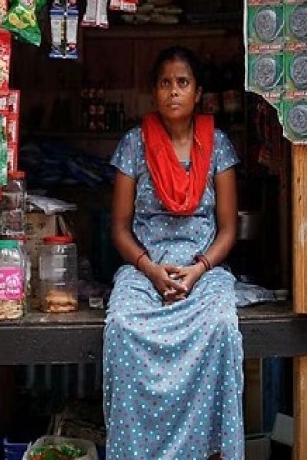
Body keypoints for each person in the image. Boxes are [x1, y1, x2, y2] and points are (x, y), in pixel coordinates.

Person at [103, 46, 244, 460]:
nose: (174, 92)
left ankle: (208, 450)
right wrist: (150, 270)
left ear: (198, 92)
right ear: (153, 92)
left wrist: (197, 271)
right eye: (165, 83)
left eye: (183, 83)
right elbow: (119, 228)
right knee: (121, 327)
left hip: (204, 264)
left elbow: (228, 228)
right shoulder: (134, 144)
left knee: (220, 326)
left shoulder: (218, 145)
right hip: (145, 263)